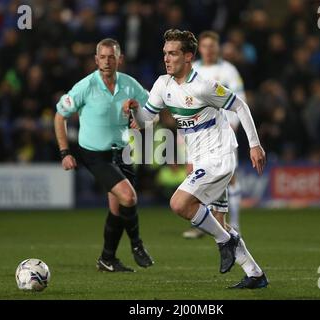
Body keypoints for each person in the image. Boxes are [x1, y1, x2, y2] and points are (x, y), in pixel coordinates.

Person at [124, 29, 268, 289]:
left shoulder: (204, 86)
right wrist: (135, 111)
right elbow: (145, 120)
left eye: (173, 54)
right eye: (165, 53)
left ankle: (224, 242)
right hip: (201, 158)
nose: (167, 59)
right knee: (219, 222)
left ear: (188, 56)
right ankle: (254, 273)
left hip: (220, 156)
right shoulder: (162, 85)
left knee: (179, 203)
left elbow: (240, 106)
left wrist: (255, 145)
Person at [54, 38, 154, 272]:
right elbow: (60, 116)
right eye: (103, 56)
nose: (107, 61)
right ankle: (137, 245)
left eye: (112, 57)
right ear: (96, 59)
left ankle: (107, 259)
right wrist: (64, 152)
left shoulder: (130, 85)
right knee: (128, 197)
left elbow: (151, 114)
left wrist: (138, 112)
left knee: (117, 208)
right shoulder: (85, 86)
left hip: (120, 153)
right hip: (94, 154)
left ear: (120, 59)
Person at [182, 30, 245, 239]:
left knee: (229, 179)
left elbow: (239, 100)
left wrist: (233, 126)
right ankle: (204, 224)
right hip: (196, 134)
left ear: (218, 48)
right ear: (199, 48)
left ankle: (232, 224)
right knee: (195, 176)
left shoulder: (228, 71)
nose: (208, 50)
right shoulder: (194, 69)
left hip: (221, 133)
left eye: (212, 46)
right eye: (205, 46)